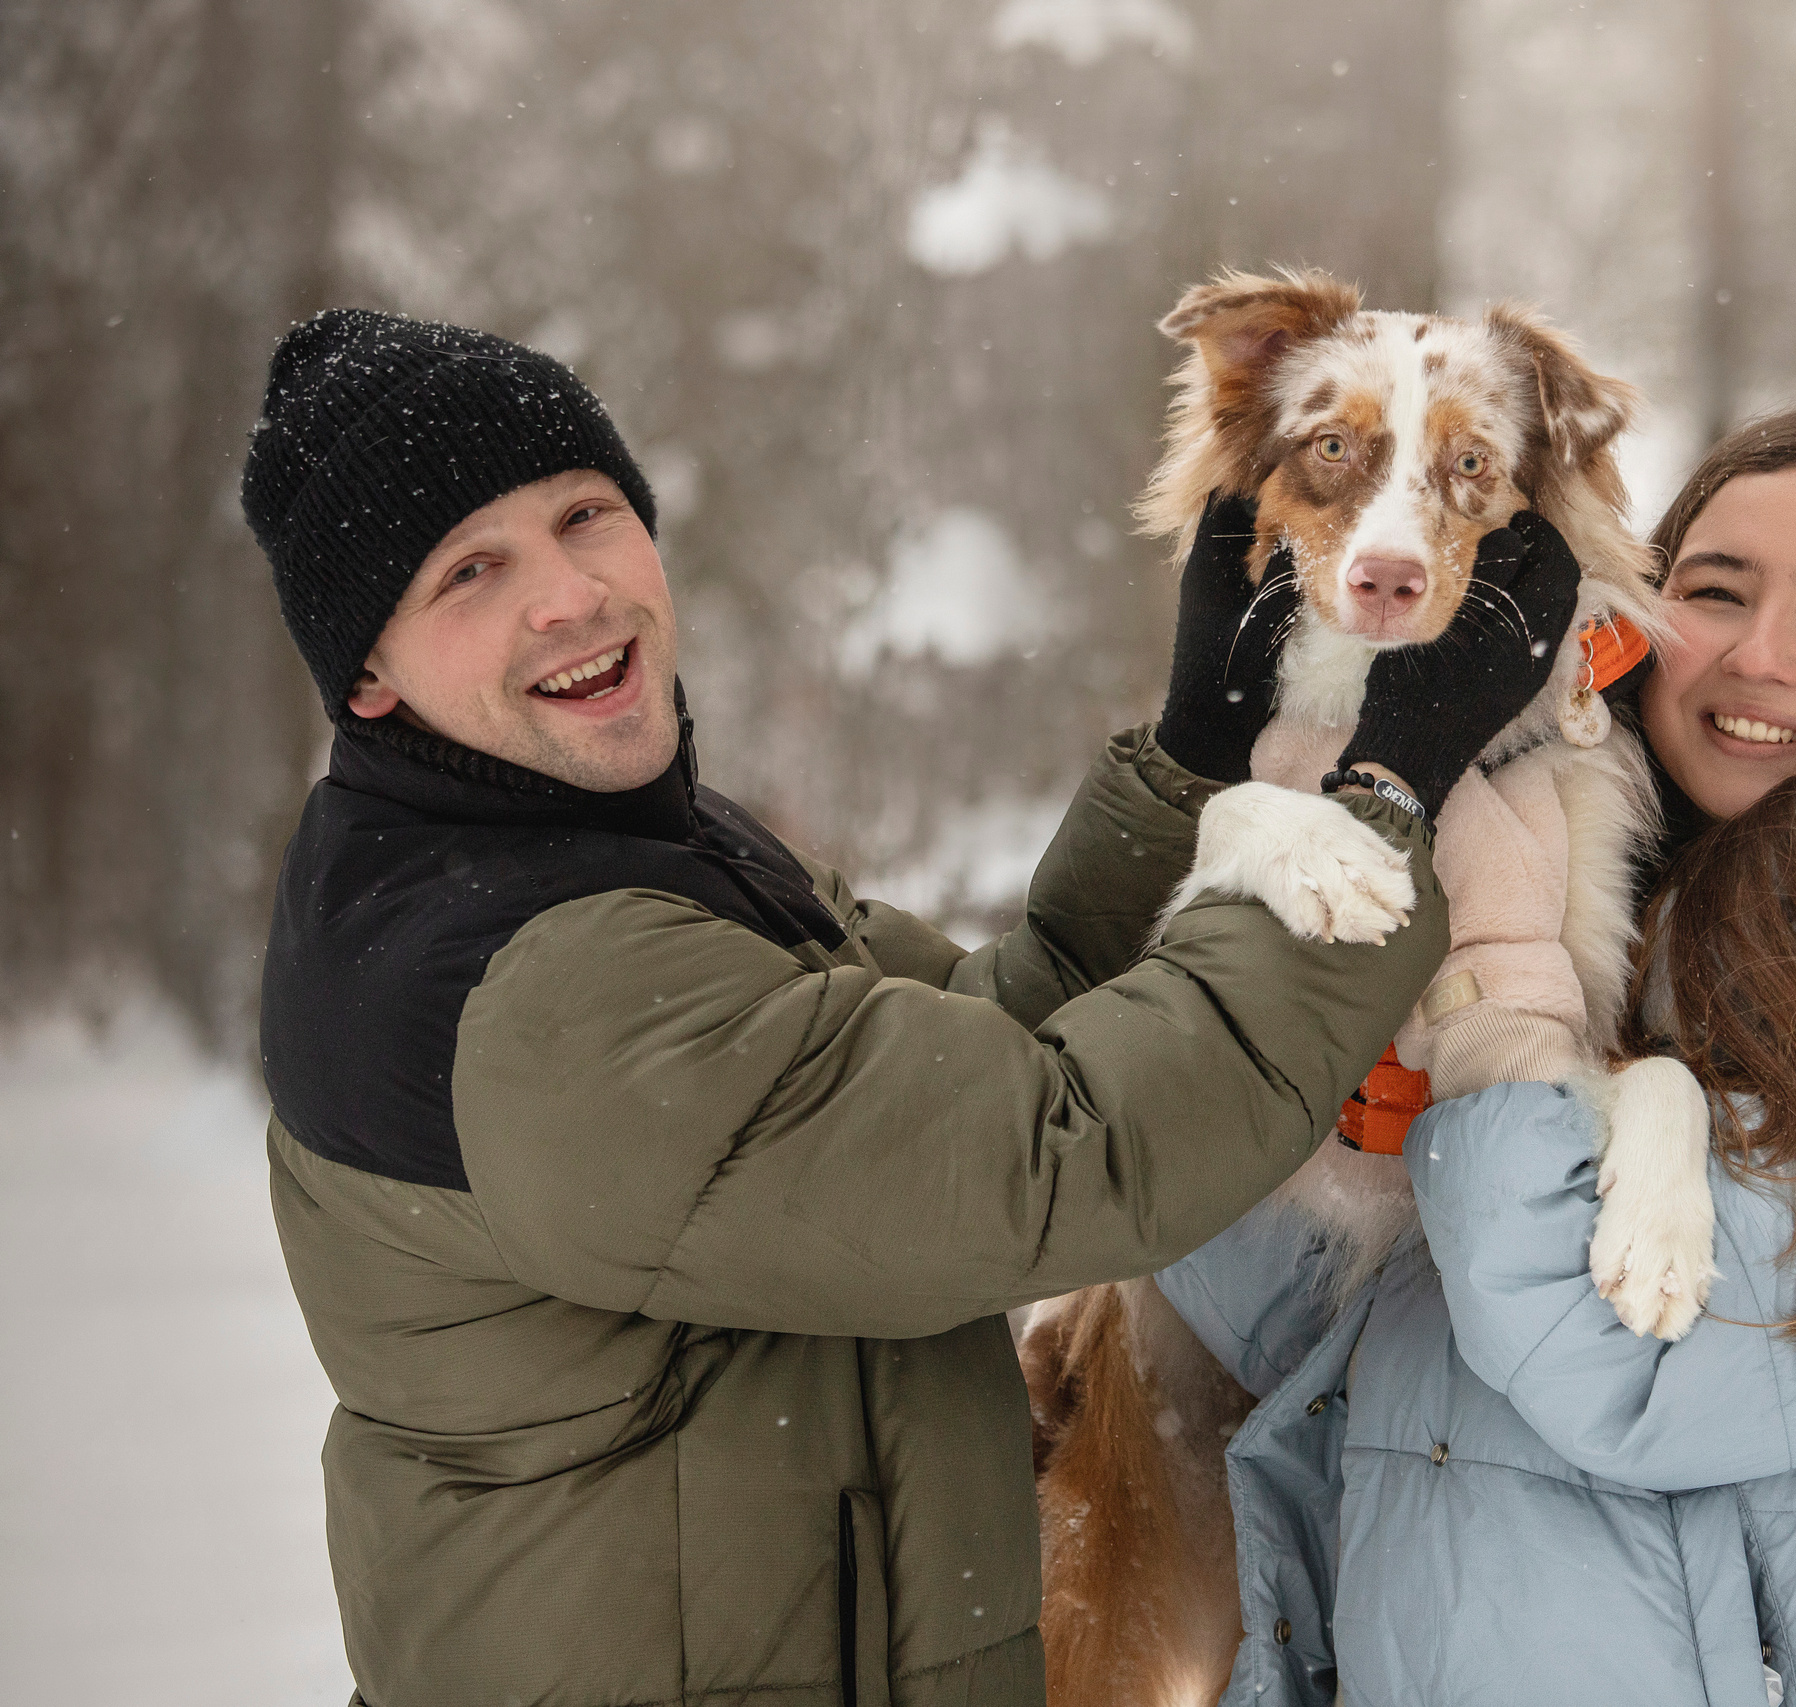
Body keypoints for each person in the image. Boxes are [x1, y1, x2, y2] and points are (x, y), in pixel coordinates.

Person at [238, 307, 1578, 1706]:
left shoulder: (611, 855)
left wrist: (1188, 759)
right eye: (472, 571)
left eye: (586, 514)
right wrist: (1385, 798)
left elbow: (986, 1060)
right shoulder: (532, 984)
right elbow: (1056, 1157)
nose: (568, 593)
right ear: (369, 674)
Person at [1157, 402, 1796, 1705]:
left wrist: (1500, 985)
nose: (1759, 655)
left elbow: (1624, 1359)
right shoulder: (1608, 913)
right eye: (1714, 592)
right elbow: (1251, 1293)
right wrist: (1297, 786)